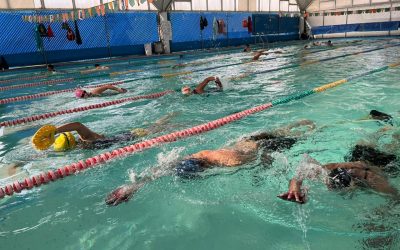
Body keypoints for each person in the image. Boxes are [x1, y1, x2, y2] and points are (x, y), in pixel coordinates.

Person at [105, 120, 316, 206]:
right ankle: (302, 126)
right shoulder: (196, 158)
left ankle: (308, 126)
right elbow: (160, 170)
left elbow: (262, 156)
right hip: (245, 145)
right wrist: (132, 187)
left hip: (258, 143)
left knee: (291, 136)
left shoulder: (228, 161)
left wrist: (264, 171)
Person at [278, 143, 399, 204]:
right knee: (360, 148)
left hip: (381, 164)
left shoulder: (376, 181)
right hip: (357, 161)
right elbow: (305, 165)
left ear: (354, 184)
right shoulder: (329, 171)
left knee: (391, 148)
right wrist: (295, 188)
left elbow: (396, 198)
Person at [32, 113, 178, 151]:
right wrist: (55, 131)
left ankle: (173, 116)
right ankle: (171, 116)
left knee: (162, 127)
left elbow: (77, 125)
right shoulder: (85, 142)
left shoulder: (87, 140)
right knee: (158, 126)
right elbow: (77, 125)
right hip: (128, 136)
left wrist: (55, 130)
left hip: (131, 136)